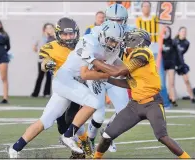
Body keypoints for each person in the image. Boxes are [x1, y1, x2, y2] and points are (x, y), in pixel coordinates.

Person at [89, 29, 191, 159]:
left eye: (128, 39)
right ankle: (96, 158)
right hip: (134, 105)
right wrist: (105, 78)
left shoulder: (144, 52)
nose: (124, 42)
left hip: (152, 103)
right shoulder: (128, 55)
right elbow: (129, 83)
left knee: (162, 137)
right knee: (107, 136)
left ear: (136, 41)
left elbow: (119, 71)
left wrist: (94, 62)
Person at [7, 17, 86, 159]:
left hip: (80, 88)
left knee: (76, 118)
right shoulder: (51, 47)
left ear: (76, 33)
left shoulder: (84, 45)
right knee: (50, 122)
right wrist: (48, 65)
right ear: (58, 34)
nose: (68, 37)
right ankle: (15, 148)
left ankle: (86, 143)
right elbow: (44, 63)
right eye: (65, 34)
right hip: (63, 89)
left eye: (71, 34)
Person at [60, 20, 125, 154]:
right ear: (104, 36)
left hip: (90, 77)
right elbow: (85, 73)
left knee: (96, 112)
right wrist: (108, 72)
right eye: (112, 40)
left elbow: (113, 62)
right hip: (73, 79)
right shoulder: (91, 42)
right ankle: (73, 137)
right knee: (61, 118)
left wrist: (125, 70)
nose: (115, 44)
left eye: (117, 41)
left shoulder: (113, 42)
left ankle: (80, 141)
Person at [86, 3, 134, 153]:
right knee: (98, 116)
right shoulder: (95, 31)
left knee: (124, 112)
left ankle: (107, 135)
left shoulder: (131, 32)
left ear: (124, 20)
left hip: (116, 75)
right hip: (97, 75)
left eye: (119, 20)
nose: (115, 23)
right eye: (112, 20)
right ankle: (89, 139)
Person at [135, 1, 171, 108]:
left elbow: (166, 32)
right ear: (141, 8)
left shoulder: (156, 19)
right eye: (144, 6)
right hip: (143, 53)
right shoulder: (138, 20)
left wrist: (165, 31)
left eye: (148, 6)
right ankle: (144, 101)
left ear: (150, 8)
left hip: (156, 53)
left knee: (160, 79)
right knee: (142, 78)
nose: (146, 8)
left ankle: (165, 103)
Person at [31, 23, 55, 97]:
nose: (49, 30)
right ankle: (35, 93)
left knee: (49, 77)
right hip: (41, 60)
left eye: (51, 28)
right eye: (47, 28)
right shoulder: (40, 38)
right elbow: (34, 47)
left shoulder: (54, 38)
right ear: (44, 29)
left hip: (50, 60)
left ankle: (46, 93)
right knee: (40, 76)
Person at [174, 27, 195, 103]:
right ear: (179, 32)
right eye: (182, 31)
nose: (184, 33)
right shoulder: (174, 41)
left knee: (187, 80)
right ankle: (173, 98)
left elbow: (182, 52)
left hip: (181, 63)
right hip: (173, 63)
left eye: (185, 32)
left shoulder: (187, 43)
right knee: (171, 82)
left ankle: (192, 97)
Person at [162, 26, 178, 107]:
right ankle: (164, 99)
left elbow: (177, 54)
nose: (166, 32)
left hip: (171, 65)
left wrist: (177, 65)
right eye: (164, 31)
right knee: (162, 83)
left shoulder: (172, 42)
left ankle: (173, 99)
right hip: (163, 65)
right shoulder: (160, 42)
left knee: (171, 83)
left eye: (167, 31)